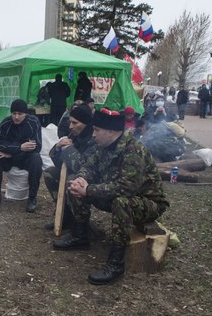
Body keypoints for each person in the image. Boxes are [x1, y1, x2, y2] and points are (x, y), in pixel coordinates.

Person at [53, 108, 169, 285]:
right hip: (117, 195)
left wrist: (89, 189)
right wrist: (81, 179)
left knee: (121, 202)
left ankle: (116, 263)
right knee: (74, 182)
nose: (93, 134)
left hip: (147, 203)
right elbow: (88, 166)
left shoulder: (133, 150)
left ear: (112, 131)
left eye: (97, 130)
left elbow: (126, 188)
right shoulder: (103, 146)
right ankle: (80, 235)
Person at [44, 104, 96, 230]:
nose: (70, 126)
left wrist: (68, 149)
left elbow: (81, 166)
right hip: (75, 174)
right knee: (49, 173)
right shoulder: (74, 135)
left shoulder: (94, 139)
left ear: (85, 123)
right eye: (70, 122)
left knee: (72, 180)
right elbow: (57, 161)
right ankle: (65, 215)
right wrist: (57, 147)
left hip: (92, 179)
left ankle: (80, 226)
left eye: (75, 123)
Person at [0, 99, 43, 212]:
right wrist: (19, 147)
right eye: (14, 113)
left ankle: (32, 199)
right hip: (9, 158)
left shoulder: (33, 122)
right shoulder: (5, 123)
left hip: (25, 159)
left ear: (25, 114)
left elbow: (36, 147)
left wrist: (10, 153)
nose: (16, 117)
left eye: (20, 114)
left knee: (36, 160)